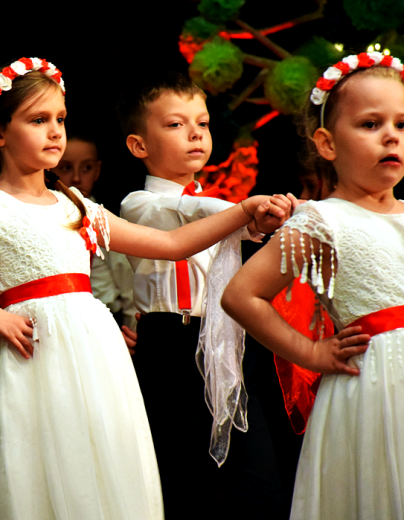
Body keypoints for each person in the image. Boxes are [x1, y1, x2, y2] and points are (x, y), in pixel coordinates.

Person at [0, 57, 290, 519]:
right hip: (29, 358)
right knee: (34, 473)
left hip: (95, 358)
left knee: (99, 471)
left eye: (59, 118)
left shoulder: (77, 205)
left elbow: (172, 243)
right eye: (38, 120)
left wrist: (243, 211)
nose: (55, 131)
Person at [222, 52, 404, 519]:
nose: (390, 136)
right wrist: (311, 353)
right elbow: (241, 295)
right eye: (369, 124)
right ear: (326, 143)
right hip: (379, 390)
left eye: (401, 124)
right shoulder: (324, 220)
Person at [117, 70, 289, 517]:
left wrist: (265, 217)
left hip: (226, 345)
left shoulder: (220, 207)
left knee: (261, 486)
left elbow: (241, 228)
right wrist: (243, 210)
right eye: (175, 125)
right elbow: (187, 213)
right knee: (182, 481)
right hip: (171, 344)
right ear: (139, 145)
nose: (195, 133)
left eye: (203, 123)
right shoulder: (138, 204)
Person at [49, 131, 138, 333]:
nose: (77, 177)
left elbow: (129, 288)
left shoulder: (105, 222)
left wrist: (131, 332)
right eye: (66, 168)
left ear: (98, 170)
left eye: (87, 168)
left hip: (105, 324)